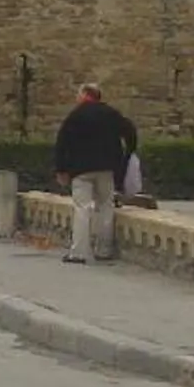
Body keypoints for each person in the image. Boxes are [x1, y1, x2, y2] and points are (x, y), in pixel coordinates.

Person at [52, 81, 138, 265]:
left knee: (82, 208)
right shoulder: (111, 114)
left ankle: (79, 252)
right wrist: (126, 155)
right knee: (105, 206)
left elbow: (62, 143)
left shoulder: (75, 115)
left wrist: (61, 169)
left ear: (85, 95)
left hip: (81, 170)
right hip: (106, 168)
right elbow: (130, 132)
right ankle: (104, 249)